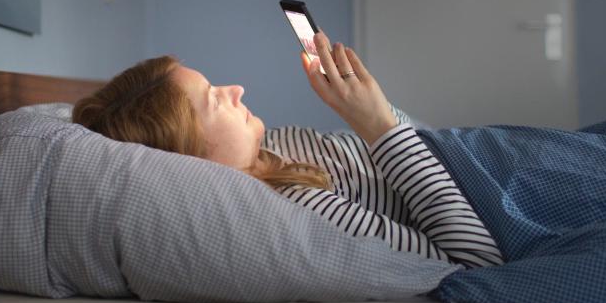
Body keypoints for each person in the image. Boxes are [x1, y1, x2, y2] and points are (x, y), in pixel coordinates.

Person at [73, 31, 505, 269]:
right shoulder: (301, 208)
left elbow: (418, 142)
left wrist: (371, 105)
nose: (237, 90)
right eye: (214, 100)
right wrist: (376, 124)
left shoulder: (277, 145)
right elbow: (475, 259)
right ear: (191, 158)